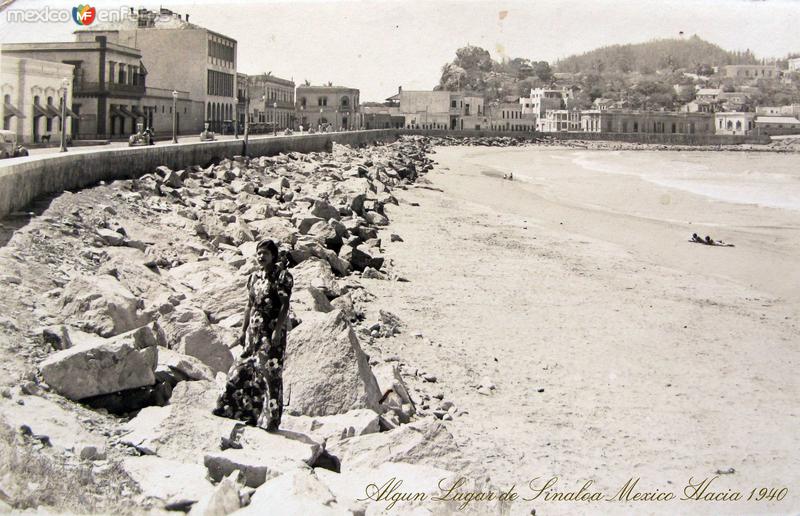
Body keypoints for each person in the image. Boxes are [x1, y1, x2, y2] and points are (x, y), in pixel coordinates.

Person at [213, 240, 294, 431]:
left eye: (265, 253)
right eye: (258, 253)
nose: (261, 257)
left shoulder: (282, 276)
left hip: (271, 332)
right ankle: (239, 411)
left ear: (273, 256)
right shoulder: (254, 277)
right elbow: (249, 305)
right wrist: (243, 330)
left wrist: (277, 331)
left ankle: (269, 420)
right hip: (253, 333)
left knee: (269, 374)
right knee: (241, 370)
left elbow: (284, 305)